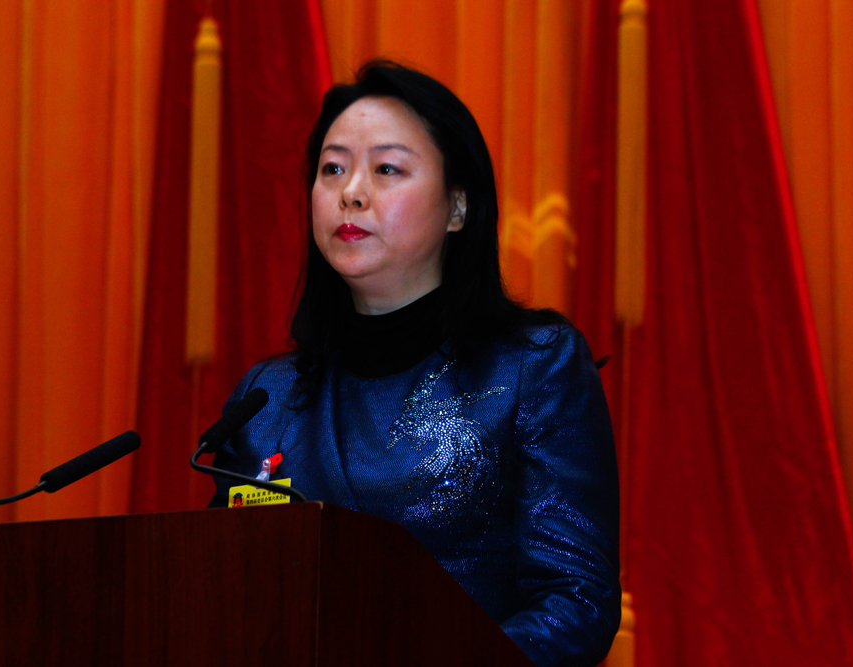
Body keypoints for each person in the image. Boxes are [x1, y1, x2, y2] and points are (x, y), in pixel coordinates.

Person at [209, 61, 620, 667]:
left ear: (458, 207)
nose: (351, 192)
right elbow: (220, 602)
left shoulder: (535, 368)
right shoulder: (266, 401)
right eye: (333, 169)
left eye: (386, 169)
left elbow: (575, 601)